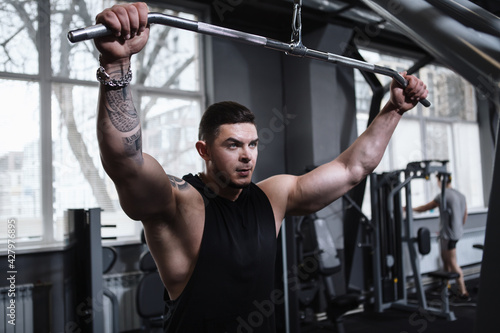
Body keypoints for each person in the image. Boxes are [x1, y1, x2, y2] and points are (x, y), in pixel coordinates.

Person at [93, 3, 428, 332]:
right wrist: (117, 64)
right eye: (233, 145)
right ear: (203, 150)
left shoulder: (274, 196)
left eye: (252, 144)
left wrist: (394, 110)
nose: (247, 156)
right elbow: (127, 162)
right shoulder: (179, 203)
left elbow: (352, 169)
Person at [412, 173, 469, 300]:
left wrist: (410, 209)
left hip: (449, 235)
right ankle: (446, 287)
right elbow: (465, 215)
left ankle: (463, 291)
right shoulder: (460, 195)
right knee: (445, 259)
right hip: (455, 233)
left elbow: (426, 207)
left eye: (437, 180)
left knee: (452, 263)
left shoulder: (443, 195)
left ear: (440, 181)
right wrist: (456, 227)